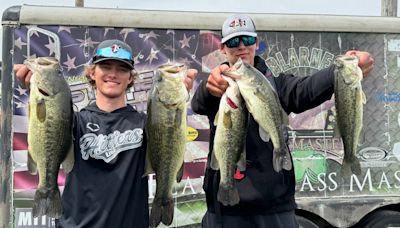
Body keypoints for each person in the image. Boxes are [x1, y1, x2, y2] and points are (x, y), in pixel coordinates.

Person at [191, 14, 374, 228]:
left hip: (275, 208)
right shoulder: (219, 85)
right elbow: (199, 103)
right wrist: (208, 89)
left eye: (247, 40)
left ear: (256, 44)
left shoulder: (277, 86)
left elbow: (307, 89)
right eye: (233, 42)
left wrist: (343, 68)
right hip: (226, 210)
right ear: (223, 48)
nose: (241, 47)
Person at [14, 39, 197, 227]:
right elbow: (47, 121)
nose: (113, 74)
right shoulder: (74, 122)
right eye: (106, 66)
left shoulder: (147, 125)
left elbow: (171, 136)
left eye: (122, 69)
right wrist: (37, 88)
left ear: (131, 78)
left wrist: (178, 93)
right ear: (92, 73)